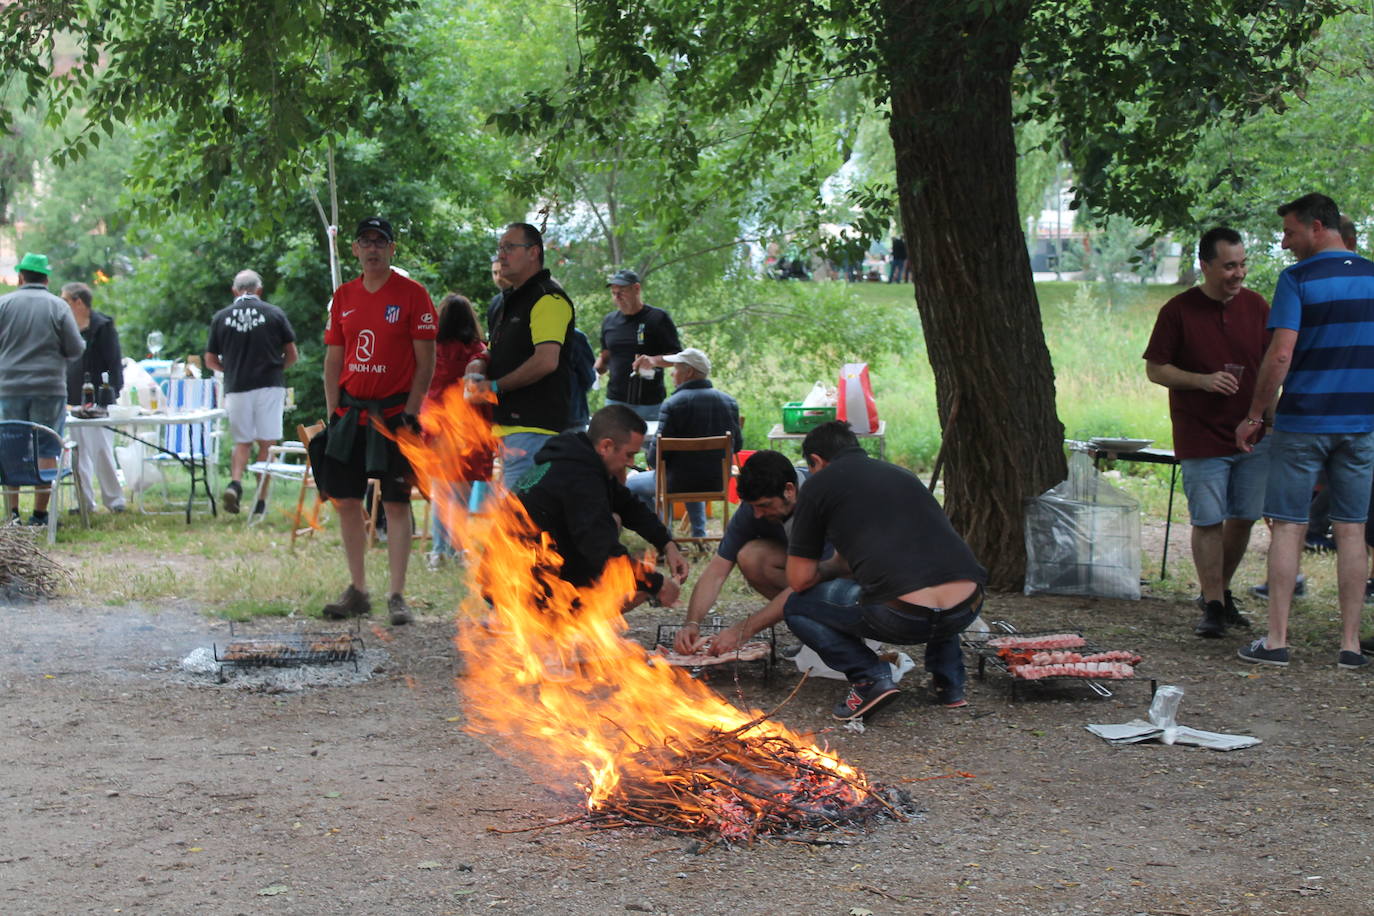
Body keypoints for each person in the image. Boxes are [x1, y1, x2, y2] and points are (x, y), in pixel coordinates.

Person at [1234, 193, 1374, 670]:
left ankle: (1276, 640)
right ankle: (1351, 646)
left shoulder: (1297, 279)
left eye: (1290, 232)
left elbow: (1279, 356)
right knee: (1352, 530)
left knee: (1289, 528)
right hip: (1361, 424)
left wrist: (1256, 414)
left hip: (1303, 422)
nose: (1285, 242)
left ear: (1318, 227)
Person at [782, 421, 988, 719]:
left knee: (797, 606)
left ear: (816, 461)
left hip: (902, 617)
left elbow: (799, 580)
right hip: (966, 608)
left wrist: (832, 567)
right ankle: (950, 684)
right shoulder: (903, 475)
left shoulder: (818, 484)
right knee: (931, 572)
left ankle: (869, 677)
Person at [1143, 227, 1270, 637]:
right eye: (1229, 266)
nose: (1239, 273)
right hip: (1200, 434)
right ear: (1205, 265)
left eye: (1242, 264)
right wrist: (1203, 381)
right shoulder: (1179, 311)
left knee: (1244, 516)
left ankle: (1221, 591)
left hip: (1253, 434)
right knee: (1208, 518)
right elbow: (1156, 368)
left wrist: (1274, 419)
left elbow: (1274, 367)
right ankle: (1213, 604)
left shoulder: (1257, 307)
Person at [311, 217, 436, 626]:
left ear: (391, 249)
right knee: (345, 499)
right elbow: (333, 358)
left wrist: (414, 409)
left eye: (380, 242)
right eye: (365, 242)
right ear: (355, 250)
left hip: (396, 413)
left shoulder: (413, 295)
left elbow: (426, 360)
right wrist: (333, 411)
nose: (373, 249)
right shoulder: (343, 295)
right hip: (350, 413)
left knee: (397, 503)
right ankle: (358, 589)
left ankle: (397, 595)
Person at [514, 404, 689, 609]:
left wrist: (667, 544)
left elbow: (629, 505)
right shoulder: (580, 477)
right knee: (635, 587)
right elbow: (603, 550)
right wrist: (658, 583)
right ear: (606, 446)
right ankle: (553, 624)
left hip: (528, 570)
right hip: (521, 584)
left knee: (616, 528)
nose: (632, 463)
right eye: (629, 455)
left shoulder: (580, 460)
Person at [672, 450, 815, 656]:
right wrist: (691, 623)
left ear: (789, 490)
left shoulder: (818, 498)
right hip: (803, 568)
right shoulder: (753, 510)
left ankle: (838, 630)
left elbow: (817, 577)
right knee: (751, 556)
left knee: (815, 581)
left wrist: (743, 630)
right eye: (753, 507)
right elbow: (717, 571)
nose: (757, 514)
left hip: (841, 577)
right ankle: (813, 630)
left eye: (764, 506)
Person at [465, 223, 574, 487]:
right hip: (507, 427)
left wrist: (493, 386)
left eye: (510, 248)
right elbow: (497, 349)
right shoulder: (506, 301)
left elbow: (546, 360)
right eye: (500, 248)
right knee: (513, 517)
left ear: (533, 252)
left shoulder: (548, 299)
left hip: (534, 428)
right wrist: (479, 361)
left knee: (520, 520)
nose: (501, 255)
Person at [205, 269, 298, 517]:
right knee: (267, 444)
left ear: (235, 291)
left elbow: (210, 359)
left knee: (242, 441)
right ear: (259, 290)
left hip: (237, 387)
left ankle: (235, 483)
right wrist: (277, 368)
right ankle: (260, 502)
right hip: (269, 385)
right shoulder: (274, 314)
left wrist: (230, 369)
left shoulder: (221, 317)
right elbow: (292, 355)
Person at [0, 253, 84, 526]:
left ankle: (12, 515)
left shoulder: (4, 304)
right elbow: (75, 348)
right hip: (49, 388)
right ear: (46, 278)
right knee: (47, 447)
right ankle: (39, 515)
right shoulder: (58, 307)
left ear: (21, 277)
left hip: (9, 387)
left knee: (10, 446)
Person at [625, 347, 741, 538]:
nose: (672, 373)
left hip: (676, 482)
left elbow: (656, 457)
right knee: (689, 472)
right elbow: (736, 446)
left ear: (688, 373)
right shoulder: (729, 402)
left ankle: (664, 536)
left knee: (631, 485)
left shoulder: (674, 404)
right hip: (716, 481)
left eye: (676, 368)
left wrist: (650, 460)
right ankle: (699, 535)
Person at [423, 292, 490, 568]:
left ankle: (438, 551)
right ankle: (461, 550)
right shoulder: (478, 352)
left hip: (437, 429)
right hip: (467, 430)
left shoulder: (431, 350)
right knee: (462, 495)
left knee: (441, 494)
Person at [61, 281, 126, 514]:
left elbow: (114, 362)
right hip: (73, 395)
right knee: (77, 453)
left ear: (78, 302)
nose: (62, 305)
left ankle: (115, 499)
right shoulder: (66, 326)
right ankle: (84, 501)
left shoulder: (103, 326)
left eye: (65, 300)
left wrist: (112, 394)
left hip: (99, 397)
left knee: (101, 449)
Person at [594, 269, 681, 422]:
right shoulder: (609, 321)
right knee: (613, 445)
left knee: (651, 446)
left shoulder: (658, 318)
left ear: (637, 289)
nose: (617, 296)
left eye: (622, 291)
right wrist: (593, 372)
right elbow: (606, 356)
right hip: (615, 401)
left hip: (649, 403)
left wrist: (654, 361)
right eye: (614, 293)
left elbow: (678, 357)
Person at [564, 327, 596, 433]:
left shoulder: (523, 333)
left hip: (530, 420)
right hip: (572, 416)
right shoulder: (575, 336)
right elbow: (589, 378)